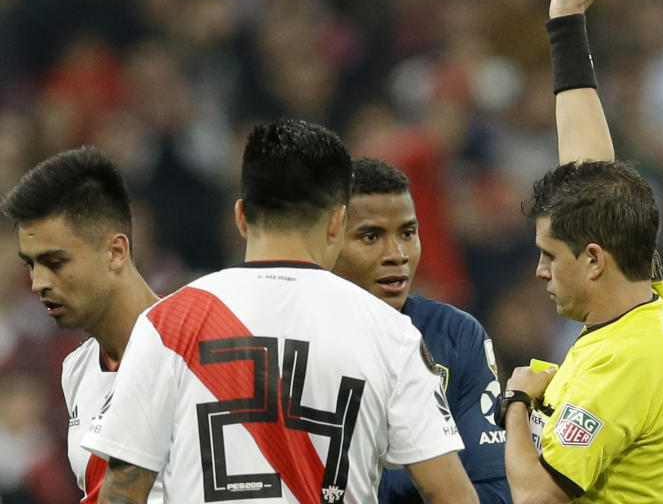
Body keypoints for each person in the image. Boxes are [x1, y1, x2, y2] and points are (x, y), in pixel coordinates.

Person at [83, 119, 480, 504]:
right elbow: (450, 494)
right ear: (337, 222)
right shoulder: (391, 333)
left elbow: (123, 490)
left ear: (241, 216)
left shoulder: (167, 323)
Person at [498, 0, 663, 503]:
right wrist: (567, 20)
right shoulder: (648, 305)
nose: (539, 271)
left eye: (548, 255)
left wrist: (516, 404)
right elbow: (590, 169)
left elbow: (538, 499)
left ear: (592, 258)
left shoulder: (627, 361)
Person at [332, 156, 511, 504]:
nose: (397, 255)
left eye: (407, 233)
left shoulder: (456, 334)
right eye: (370, 236)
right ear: (328, 240)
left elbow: (496, 490)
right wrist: (430, 476)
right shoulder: (294, 333)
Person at [1, 146, 163, 503]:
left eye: (54, 262)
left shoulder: (190, 348)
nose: (37, 283)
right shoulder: (75, 370)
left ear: (116, 252)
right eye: (30, 265)